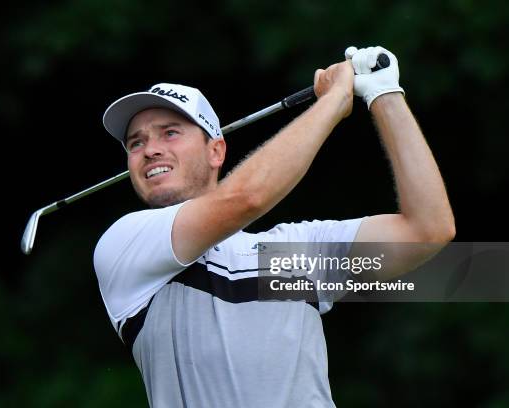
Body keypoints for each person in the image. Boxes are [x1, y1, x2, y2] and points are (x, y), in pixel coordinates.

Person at [93, 46, 455, 407]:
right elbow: (246, 198)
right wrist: (334, 101)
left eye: (170, 133)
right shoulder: (125, 243)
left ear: (216, 152)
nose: (150, 149)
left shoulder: (293, 252)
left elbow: (427, 230)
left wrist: (383, 94)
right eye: (136, 142)